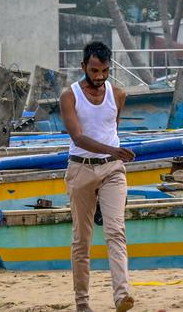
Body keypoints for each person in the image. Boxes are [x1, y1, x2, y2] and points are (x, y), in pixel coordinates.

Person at [61, 41, 136, 312]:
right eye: (94, 70)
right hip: (80, 168)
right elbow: (78, 137)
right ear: (83, 67)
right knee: (82, 238)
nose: (100, 76)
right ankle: (82, 303)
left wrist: (112, 154)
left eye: (104, 70)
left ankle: (122, 294)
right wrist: (113, 150)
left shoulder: (118, 94)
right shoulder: (69, 96)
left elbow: (110, 128)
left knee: (116, 230)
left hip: (112, 170)